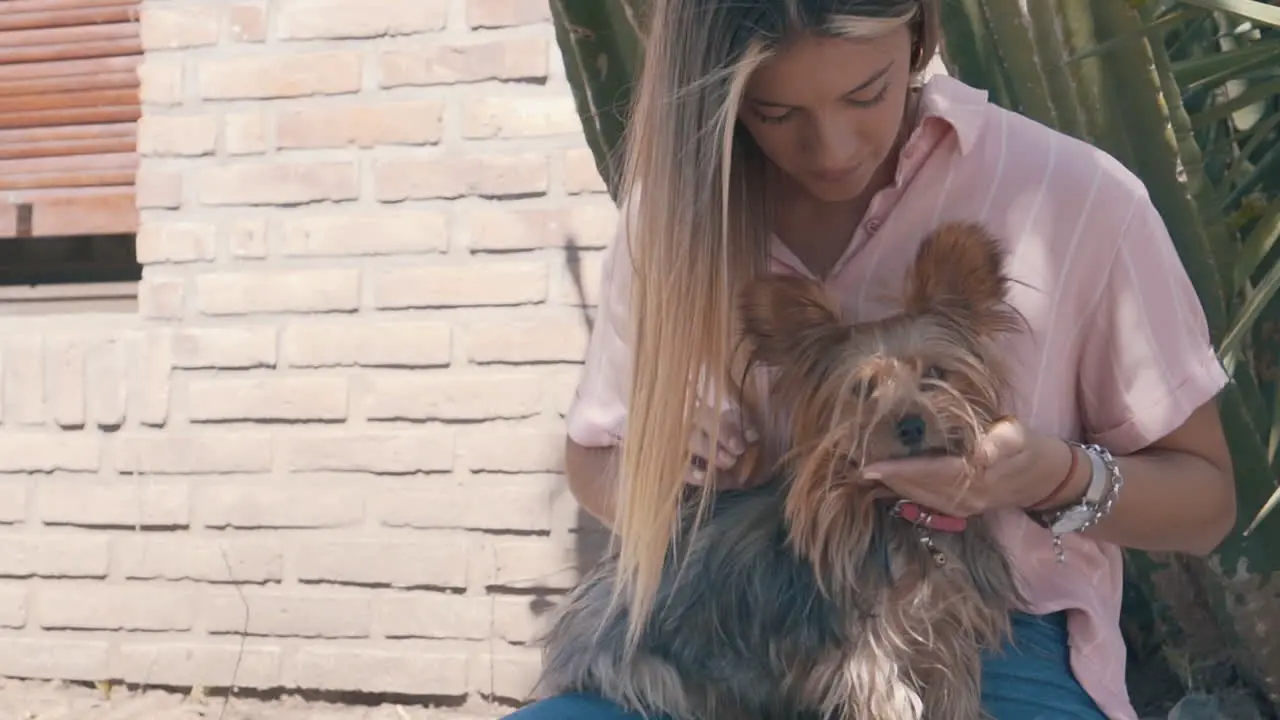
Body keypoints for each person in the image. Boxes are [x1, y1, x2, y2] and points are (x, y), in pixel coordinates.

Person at [509, 0, 1238, 718]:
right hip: (735, 625)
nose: (831, 149)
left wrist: (1059, 477)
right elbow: (595, 462)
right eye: (775, 113)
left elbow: (1206, 505)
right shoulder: (674, 217)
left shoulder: (1078, 197)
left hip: (1004, 628)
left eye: (867, 94)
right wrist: (669, 474)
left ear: (920, 29)